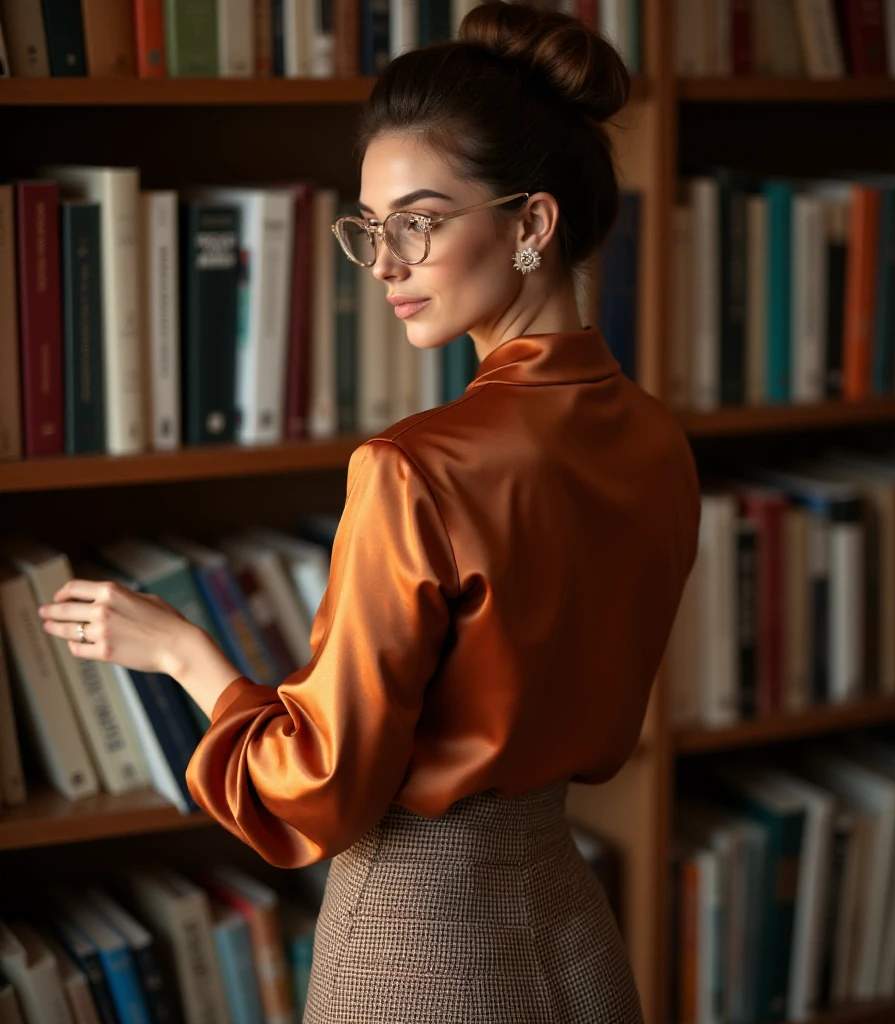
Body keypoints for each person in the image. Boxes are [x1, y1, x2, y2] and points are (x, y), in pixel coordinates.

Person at [39, 2, 701, 1021]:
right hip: (571, 929)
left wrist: (184, 656)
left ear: (530, 223)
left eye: (418, 222)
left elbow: (321, 789)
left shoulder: (413, 469)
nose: (384, 264)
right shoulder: (657, 442)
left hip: (418, 942)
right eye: (370, 229)